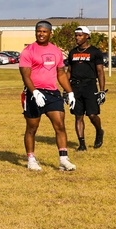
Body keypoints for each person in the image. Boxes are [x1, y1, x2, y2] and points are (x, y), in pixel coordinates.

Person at [19, 20, 76, 171]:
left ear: (51, 33)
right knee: (32, 128)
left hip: (53, 93)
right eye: (39, 31)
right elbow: (25, 75)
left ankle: (63, 159)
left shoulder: (56, 51)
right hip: (34, 94)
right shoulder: (28, 51)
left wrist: (70, 92)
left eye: (44, 31)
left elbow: (61, 74)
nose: (41, 34)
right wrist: (35, 92)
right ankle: (31, 159)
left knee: (60, 125)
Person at [66, 26, 106, 151]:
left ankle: (99, 131)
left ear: (87, 36)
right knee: (78, 115)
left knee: (92, 115)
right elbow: (69, 71)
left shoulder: (95, 52)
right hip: (75, 86)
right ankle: (82, 144)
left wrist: (102, 91)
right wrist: (66, 89)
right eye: (76, 35)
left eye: (80, 35)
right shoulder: (72, 52)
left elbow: (100, 72)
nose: (77, 37)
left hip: (90, 85)